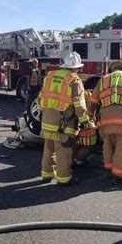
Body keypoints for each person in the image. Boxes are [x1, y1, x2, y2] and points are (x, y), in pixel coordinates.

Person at [39, 52, 89, 185]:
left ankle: (46, 174)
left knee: (48, 148)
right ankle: (63, 178)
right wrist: (84, 121)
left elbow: (41, 97)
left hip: (47, 120)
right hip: (63, 123)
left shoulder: (50, 76)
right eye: (78, 68)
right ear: (75, 68)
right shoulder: (74, 80)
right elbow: (79, 104)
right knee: (63, 151)